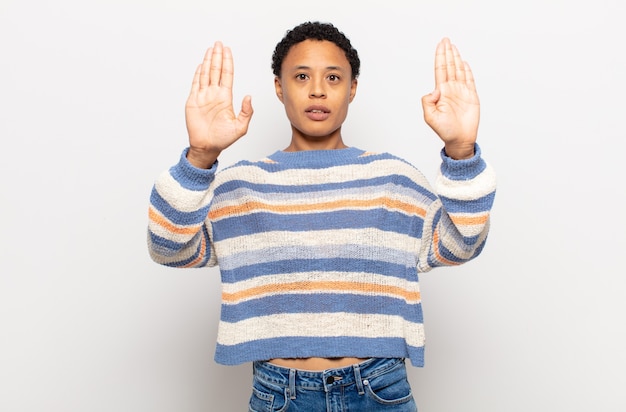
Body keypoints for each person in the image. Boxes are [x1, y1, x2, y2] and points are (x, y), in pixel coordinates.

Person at [147, 21, 496, 411]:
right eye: (301, 76)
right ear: (279, 87)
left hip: (378, 390)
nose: (317, 89)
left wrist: (462, 152)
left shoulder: (392, 179)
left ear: (353, 88)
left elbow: (463, 243)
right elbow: (168, 248)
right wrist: (200, 157)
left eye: (333, 76)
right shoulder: (242, 185)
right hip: (280, 394)